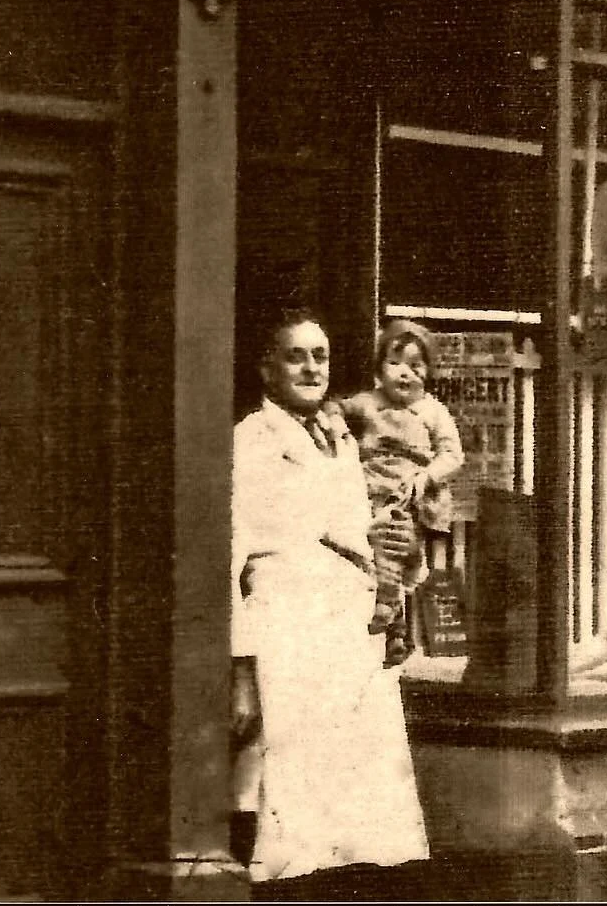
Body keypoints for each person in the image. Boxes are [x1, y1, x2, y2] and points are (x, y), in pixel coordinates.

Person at [231, 306, 429, 893]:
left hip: (348, 630)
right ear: (267, 369)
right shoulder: (251, 441)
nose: (311, 369)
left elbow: (351, 536)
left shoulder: (340, 437)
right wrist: (240, 668)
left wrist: (397, 556)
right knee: (293, 811)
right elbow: (231, 554)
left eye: (319, 356)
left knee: (359, 816)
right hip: (290, 627)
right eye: (295, 357)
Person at [340, 319, 465, 665]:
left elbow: (453, 455)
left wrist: (426, 477)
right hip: (368, 490)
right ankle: (395, 628)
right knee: (370, 553)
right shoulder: (368, 402)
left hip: (407, 496)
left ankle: (389, 613)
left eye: (415, 365)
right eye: (395, 363)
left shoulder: (432, 411)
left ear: (428, 371)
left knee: (394, 547)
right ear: (380, 369)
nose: (405, 373)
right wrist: (334, 423)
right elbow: (338, 408)